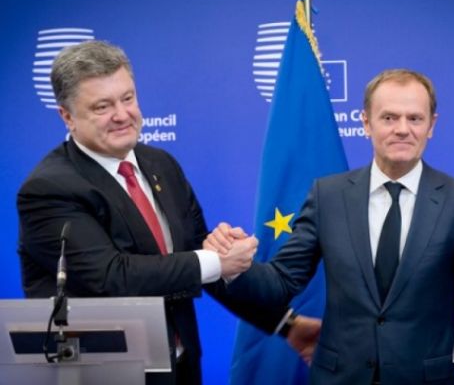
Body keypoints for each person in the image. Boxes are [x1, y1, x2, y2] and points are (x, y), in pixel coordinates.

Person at [17, 40, 305, 385]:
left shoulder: (160, 164)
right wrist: (215, 261)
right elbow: (112, 278)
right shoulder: (49, 188)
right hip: (103, 375)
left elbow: (195, 257)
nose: (122, 115)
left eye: (127, 98)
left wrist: (287, 325)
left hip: (179, 367)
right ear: (67, 116)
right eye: (102, 106)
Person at [210, 69, 454, 384]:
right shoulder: (328, 196)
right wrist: (235, 266)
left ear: (431, 125)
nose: (402, 129)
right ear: (366, 123)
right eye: (389, 118)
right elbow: (282, 280)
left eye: (415, 119)